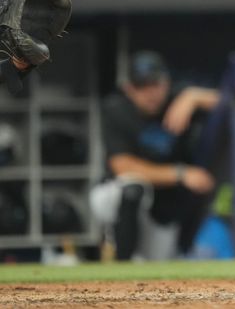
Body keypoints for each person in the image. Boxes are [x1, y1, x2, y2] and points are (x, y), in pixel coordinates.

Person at [91, 51, 219, 260]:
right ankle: (119, 266)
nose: (150, 93)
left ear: (166, 83)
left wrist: (194, 96)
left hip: (162, 207)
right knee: (132, 188)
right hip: (114, 195)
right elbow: (123, 167)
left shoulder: (178, 98)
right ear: (128, 89)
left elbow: (230, 103)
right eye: (141, 86)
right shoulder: (116, 109)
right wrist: (181, 173)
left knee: (157, 266)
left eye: (155, 84)